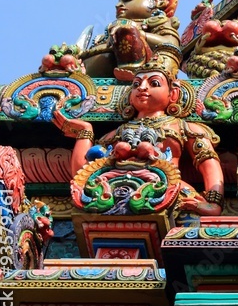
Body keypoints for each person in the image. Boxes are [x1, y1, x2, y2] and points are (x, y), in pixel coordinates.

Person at [53, 56, 223, 216]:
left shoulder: (185, 128)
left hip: (167, 192)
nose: (142, 88)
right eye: (136, 84)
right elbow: (83, 174)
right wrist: (85, 132)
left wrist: (213, 203)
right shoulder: (118, 132)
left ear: (173, 94)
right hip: (111, 192)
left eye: (154, 83)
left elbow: (209, 164)